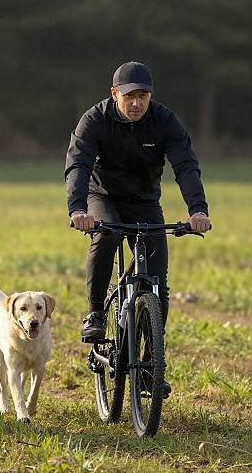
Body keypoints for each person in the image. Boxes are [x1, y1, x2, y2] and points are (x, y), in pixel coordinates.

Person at [65, 61, 211, 396]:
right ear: (115, 93)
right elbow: (78, 164)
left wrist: (197, 209)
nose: (136, 103)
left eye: (143, 96)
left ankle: (148, 365)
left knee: (157, 283)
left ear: (150, 96)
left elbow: (186, 165)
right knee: (108, 233)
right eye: (129, 95)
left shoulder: (164, 121)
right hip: (101, 196)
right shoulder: (94, 120)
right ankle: (95, 314)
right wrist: (77, 209)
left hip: (144, 201)